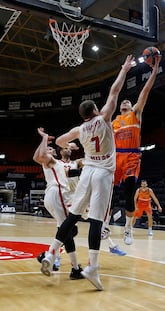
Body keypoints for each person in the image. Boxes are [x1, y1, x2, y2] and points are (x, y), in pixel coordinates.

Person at [40, 55, 134, 291]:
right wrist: (123, 70)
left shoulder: (79, 129)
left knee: (72, 216)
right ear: (94, 109)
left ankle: (51, 253)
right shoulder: (104, 118)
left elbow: (61, 139)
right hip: (102, 173)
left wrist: (67, 144)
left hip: (87, 172)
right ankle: (92, 266)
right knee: (96, 219)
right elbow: (114, 91)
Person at [110, 54, 161, 245]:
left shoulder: (135, 113)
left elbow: (145, 92)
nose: (125, 102)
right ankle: (105, 225)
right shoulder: (113, 121)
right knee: (110, 195)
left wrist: (154, 71)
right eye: (123, 103)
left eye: (127, 102)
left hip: (131, 156)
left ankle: (128, 229)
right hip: (115, 158)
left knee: (129, 194)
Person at [33, 127, 84, 280]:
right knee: (69, 229)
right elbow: (38, 156)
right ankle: (50, 256)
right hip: (58, 193)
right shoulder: (51, 161)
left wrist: (70, 145)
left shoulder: (58, 164)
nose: (48, 150)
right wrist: (44, 138)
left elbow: (37, 156)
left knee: (69, 231)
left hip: (53, 196)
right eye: (47, 149)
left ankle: (75, 268)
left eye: (50, 148)